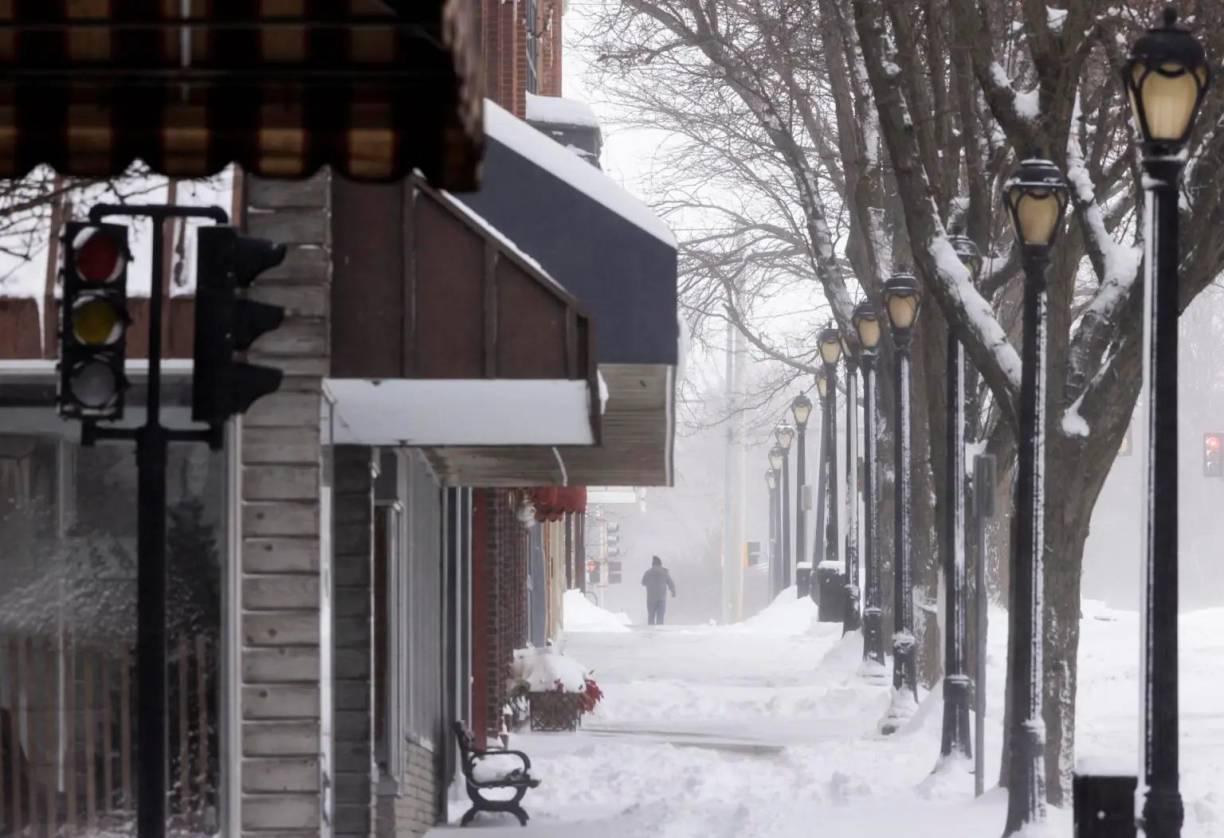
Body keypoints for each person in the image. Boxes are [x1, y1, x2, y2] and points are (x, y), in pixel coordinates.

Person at [641, 555, 676, 625]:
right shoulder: (664, 572)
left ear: (653, 564)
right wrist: (673, 591)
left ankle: (651, 632)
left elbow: (643, 582)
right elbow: (670, 583)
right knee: (660, 617)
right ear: (660, 564)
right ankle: (659, 633)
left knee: (651, 616)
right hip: (661, 598)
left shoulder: (648, 573)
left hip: (651, 598)